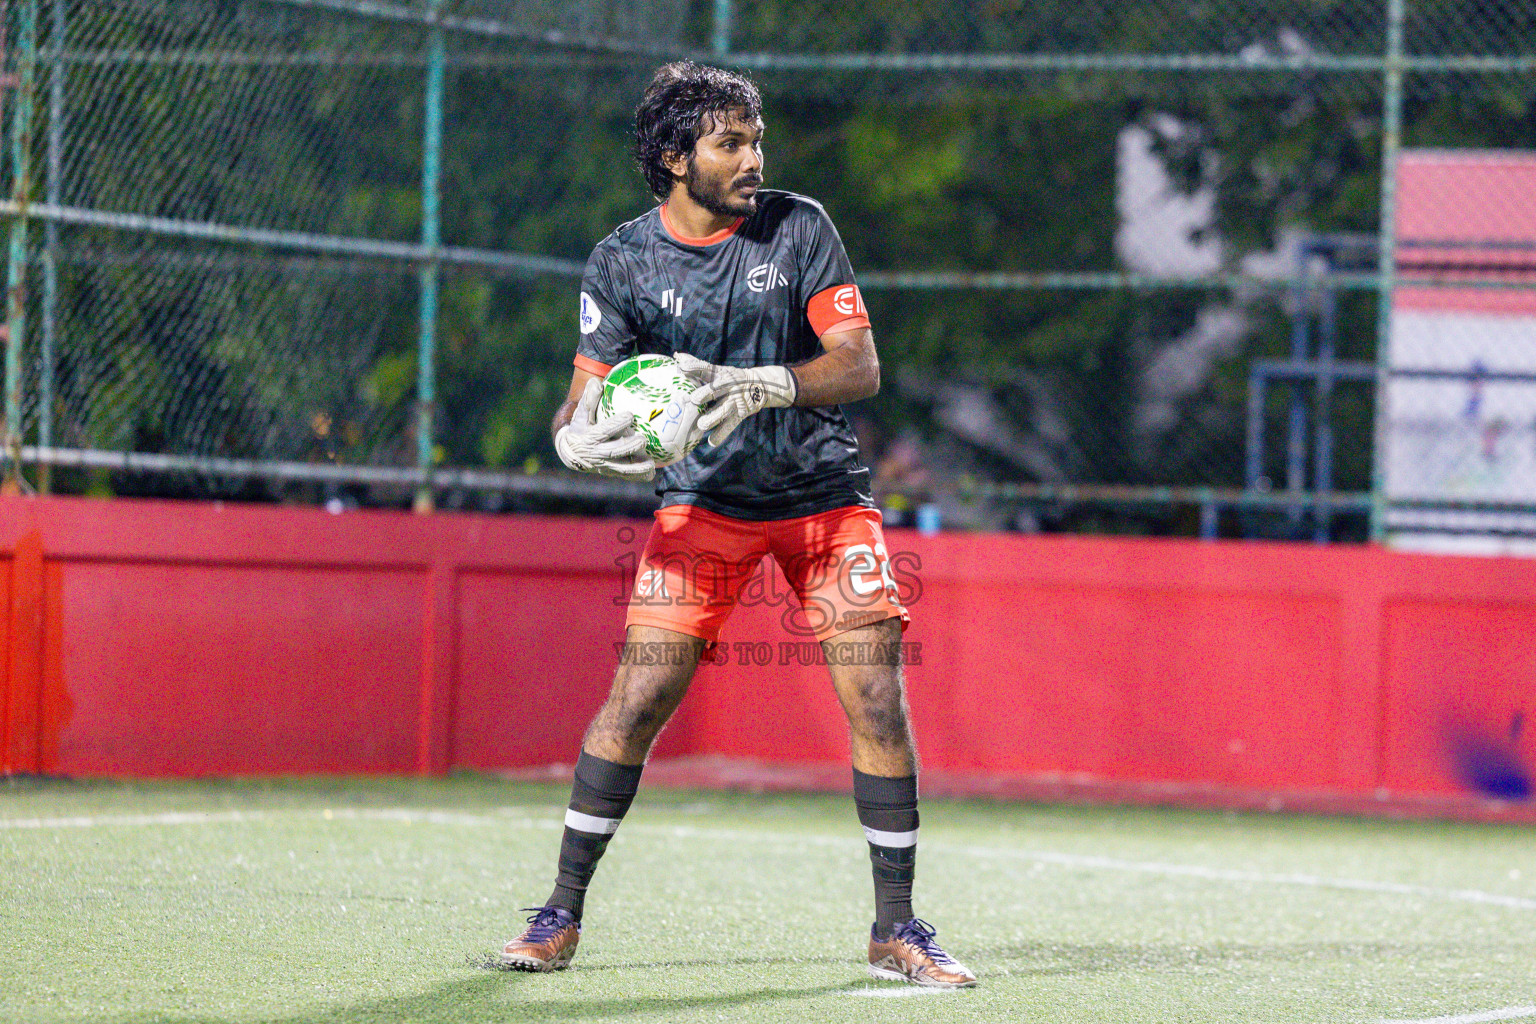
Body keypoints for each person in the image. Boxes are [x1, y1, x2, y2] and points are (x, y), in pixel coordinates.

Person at [500, 61, 975, 989]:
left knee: (878, 695)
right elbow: (581, 407)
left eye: (757, 139)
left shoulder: (800, 226)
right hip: (701, 504)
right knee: (637, 701)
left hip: (823, 498)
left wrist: (769, 383)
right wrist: (573, 445)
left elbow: (860, 364)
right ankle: (558, 914)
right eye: (731, 143)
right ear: (677, 158)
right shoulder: (622, 261)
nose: (754, 157)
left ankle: (896, 930)